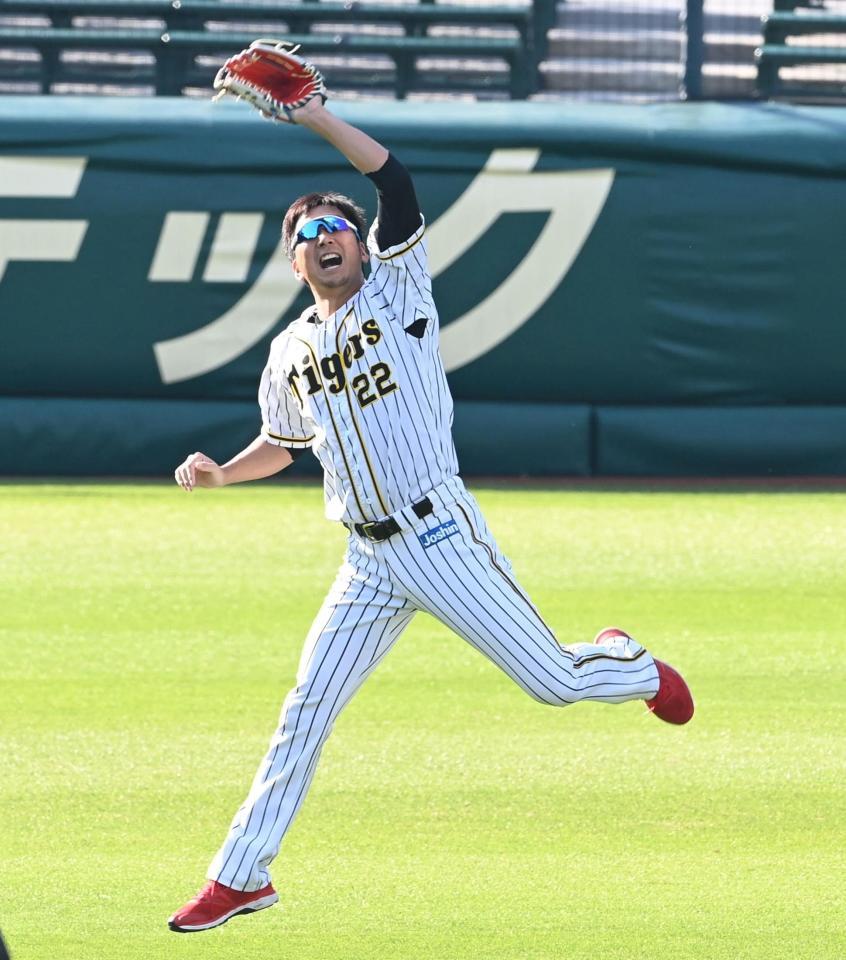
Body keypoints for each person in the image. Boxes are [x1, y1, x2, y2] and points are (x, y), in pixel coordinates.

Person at [168, 99, 694, 934]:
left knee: (553, 683)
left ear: (360, 242)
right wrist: (225, 472)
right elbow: (284, 441)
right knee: (305, 710)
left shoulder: (399, 286)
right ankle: (241, 875)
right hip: (367, 560)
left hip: (438, 533)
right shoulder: (290, 350)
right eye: (309, 234)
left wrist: (314, 117)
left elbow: (395, 181)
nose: (328, 238)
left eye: (339, 225)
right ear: (291, 260)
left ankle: (627, 663)